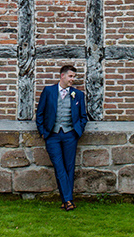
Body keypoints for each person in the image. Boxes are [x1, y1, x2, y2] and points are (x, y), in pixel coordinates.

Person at [35, 64, 87, 211]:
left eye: (74, 77)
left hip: (70, 135)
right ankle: (69, 200)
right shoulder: (49, 91)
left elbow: (83, 117)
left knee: (69, 167)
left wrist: (78, 131)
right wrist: (43, 132)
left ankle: (66, 201)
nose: (73, 79)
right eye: (71, 76)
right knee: (59, 166)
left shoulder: (78, 95)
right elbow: (40, 113)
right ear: (62, 76)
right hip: (52, 135)